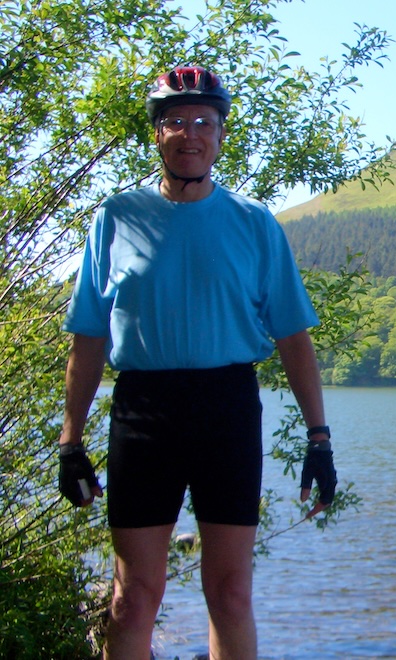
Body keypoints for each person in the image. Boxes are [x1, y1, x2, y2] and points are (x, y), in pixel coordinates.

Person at [57, 65, 337, 659]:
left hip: (226, 407)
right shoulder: (117, 218)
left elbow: (293, 338)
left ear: (221, 136)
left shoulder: (253, 223)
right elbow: (88, 337)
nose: (191, 133)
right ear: (157, 135)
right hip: (144, 412)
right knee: (133, 598)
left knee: (231, 594)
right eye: (177, 121)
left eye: (204, 122)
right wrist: (70, 442)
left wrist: (319, 439)